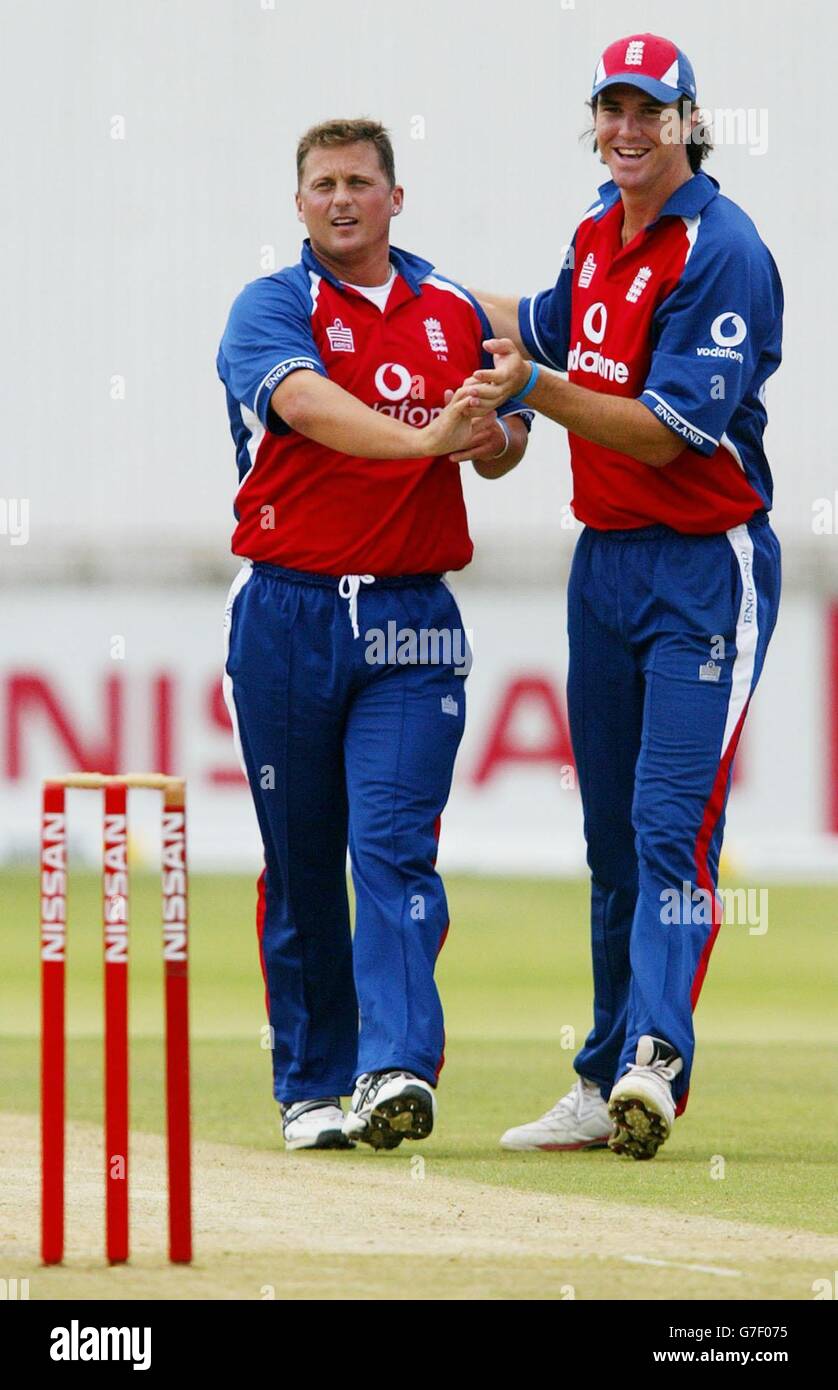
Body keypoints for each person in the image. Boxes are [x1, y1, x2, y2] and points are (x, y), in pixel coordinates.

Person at [467, 33, 783, 1159]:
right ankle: (604, 1076)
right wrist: (417, 288)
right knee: (610, 836)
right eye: (612, 109)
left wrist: (534, 388)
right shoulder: (598, 232)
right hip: (604, 566)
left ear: (690, 120)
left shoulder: (722, 248)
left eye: (650, 110)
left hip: (704, 562)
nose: (629, 129)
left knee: (669, 826)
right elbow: (538, 326)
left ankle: (655, 1055)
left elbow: (660, 433)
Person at [216, 118, 531, 1152]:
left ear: (398, 198)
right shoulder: (273, 306)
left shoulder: (452, 310)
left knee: (391, 844)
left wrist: (491, 437)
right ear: (297, 202)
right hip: (289, 609)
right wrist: (425, 438)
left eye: (359, 182)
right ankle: (311, 1084)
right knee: (301, 855)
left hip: (410, 617)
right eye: (321, 185)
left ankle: (394, 1066)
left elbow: (503, 439)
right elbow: (305, 405)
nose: (340, 199)